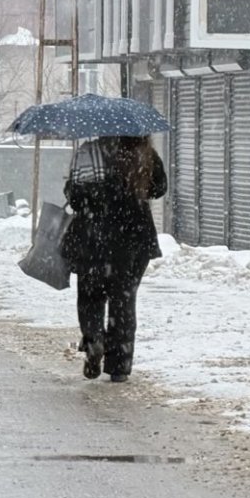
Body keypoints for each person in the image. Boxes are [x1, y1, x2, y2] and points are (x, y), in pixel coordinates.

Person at [61, 135, 167, 383]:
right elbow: (159, 189)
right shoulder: (144, 153)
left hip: (92, 237)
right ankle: (119, 365)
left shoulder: (88, 152)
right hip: (133, 238)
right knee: (123, 301)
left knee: (90, 296)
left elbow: (75, 199)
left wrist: (84, 192)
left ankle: (95, 338)